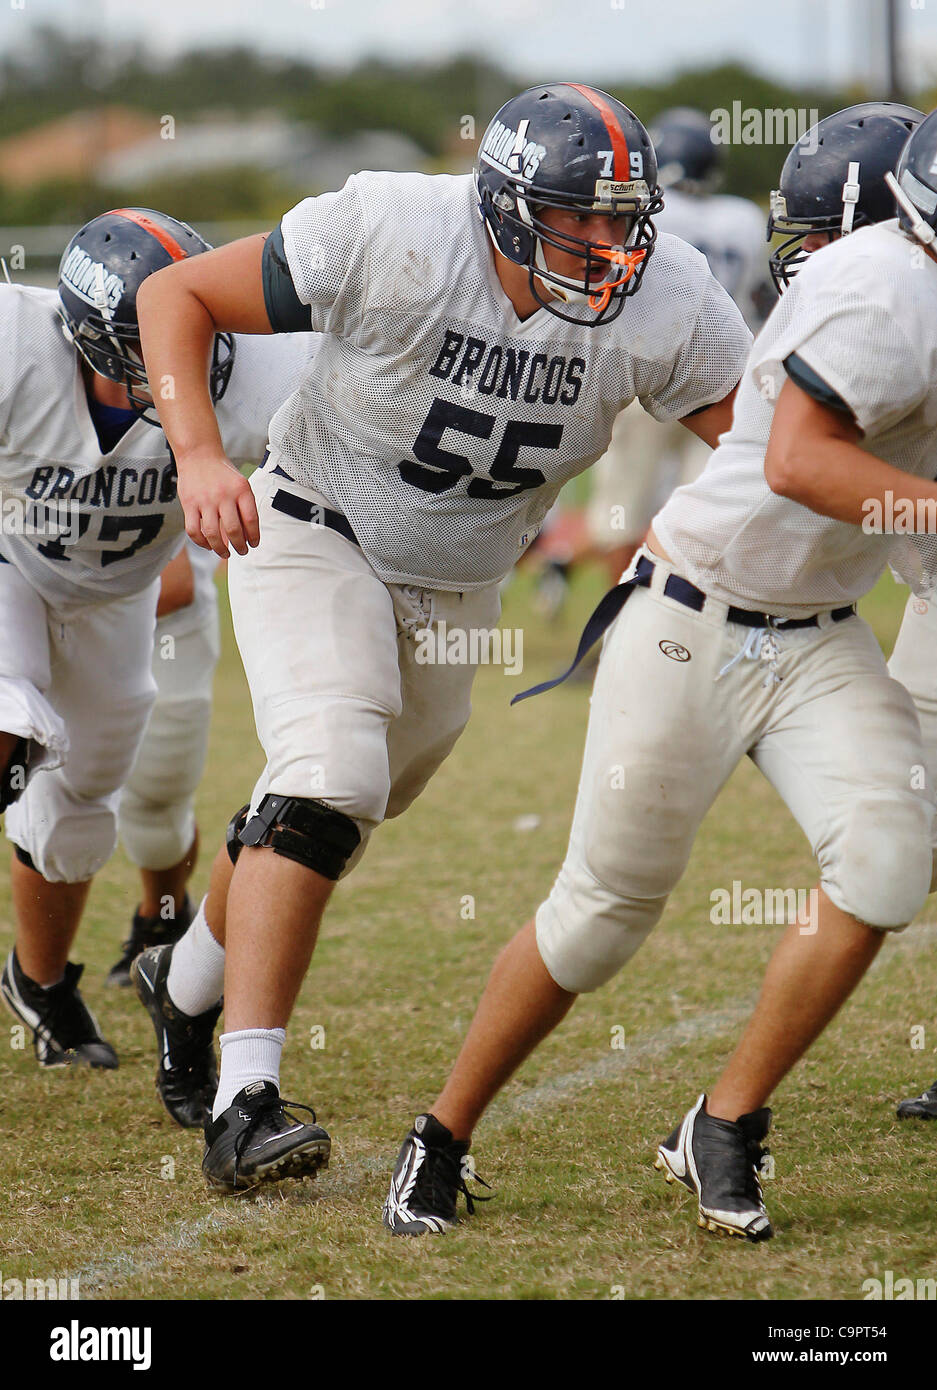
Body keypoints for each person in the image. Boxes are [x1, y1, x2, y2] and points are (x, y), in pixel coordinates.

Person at [132, 82, 753, 1193]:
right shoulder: (390, 229)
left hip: (460, 589)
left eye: (626, 217)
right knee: (329, 772)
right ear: (509, 210)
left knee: (333, 808)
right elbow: (178, 293)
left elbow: (753, 435)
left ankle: (181, 986)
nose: (610, 244)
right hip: (317, 520)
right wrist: (197, 455)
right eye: (581, 218)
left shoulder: (670, 297)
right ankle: (245, 1101)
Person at [381, 108, 937, 1243]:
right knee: (597, 920)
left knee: (887, 864)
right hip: (694, 616)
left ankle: (722, 1122)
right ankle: (441, 1131)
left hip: (821, 635)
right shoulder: (884, 282)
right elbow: (796, 459)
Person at [0, 207, 316, 1070]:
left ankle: (39, 982)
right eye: (151, 339)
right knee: (6, 717)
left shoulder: (253, 370)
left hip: (119, 598)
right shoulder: (15, 349)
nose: (186, 355)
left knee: (78, 815)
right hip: (9, 563)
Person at [586, 106, 772, 585]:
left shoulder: (652, 212)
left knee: (623, 510)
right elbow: (759, 296)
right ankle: (684, 607)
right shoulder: (743, 218)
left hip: (642, 360)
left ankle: (620, 614)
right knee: (708, 512)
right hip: (724, 372)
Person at [103, 539, 219, 988]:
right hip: (50, 617)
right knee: (53, 806)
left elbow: (175, 584)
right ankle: (42, 981)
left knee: (156, 797)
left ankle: (162, 917)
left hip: (165, 627)